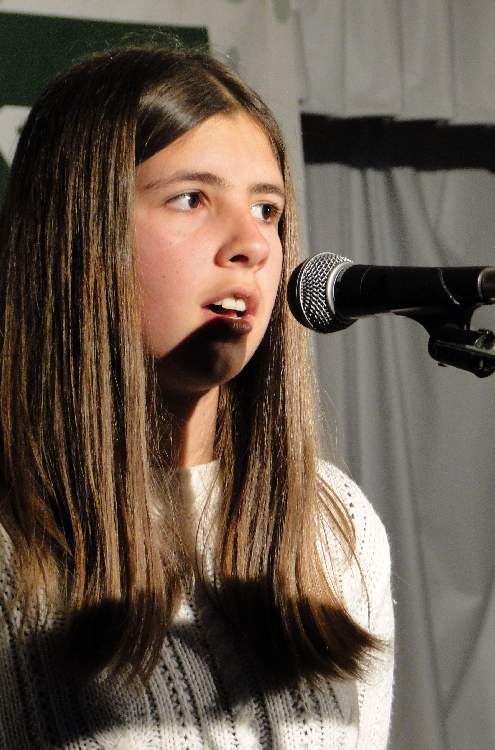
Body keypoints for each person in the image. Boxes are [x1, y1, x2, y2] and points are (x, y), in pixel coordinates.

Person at [0, 44, 394, 748]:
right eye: (191, 199)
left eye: (267, 209)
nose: (253, 244)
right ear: (80, 234)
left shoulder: (334, 525)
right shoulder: (14, 546)